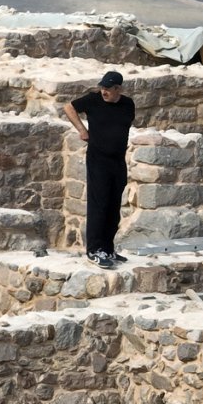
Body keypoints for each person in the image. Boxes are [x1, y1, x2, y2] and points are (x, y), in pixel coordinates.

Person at [63, 70, 136, 269]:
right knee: (99, 205)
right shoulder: (93, 100)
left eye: (108, 89)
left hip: (118, 161)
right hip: (98, 160)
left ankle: (108, 248)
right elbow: (69, 107)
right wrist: (82, 130)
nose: (104, 92)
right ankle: (94, 250)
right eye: (102, 88)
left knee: (113, 207)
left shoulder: (128, 104)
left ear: (117, 89)